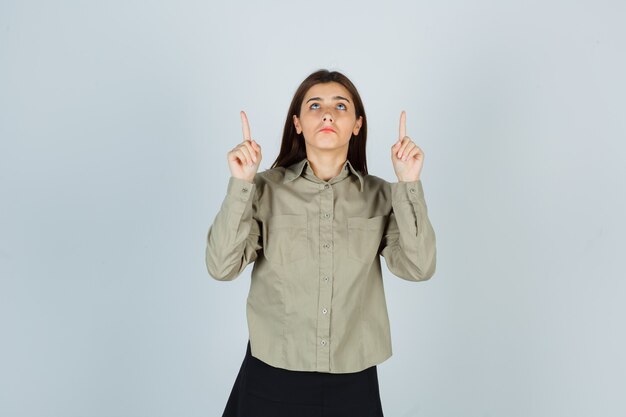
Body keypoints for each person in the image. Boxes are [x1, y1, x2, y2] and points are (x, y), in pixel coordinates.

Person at [205, 69, 437, 416]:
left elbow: (418, 268)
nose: (328, 113)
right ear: (297, 122)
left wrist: (408, 184)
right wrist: (241, 183)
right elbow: (221, 267)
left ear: (357, 124)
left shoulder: (380, 196)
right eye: (315, 105)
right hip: (271, 375)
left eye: (341, 106)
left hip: (352, 381)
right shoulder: (263, 190)